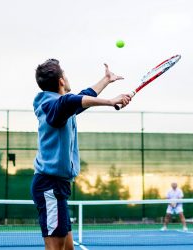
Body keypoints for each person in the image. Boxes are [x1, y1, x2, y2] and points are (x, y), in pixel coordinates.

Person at [30, 58, 131, 250]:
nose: (67, 78)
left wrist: (106, 80)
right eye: (65, 75)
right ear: (61, 81)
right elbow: (72, 100)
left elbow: (82, 97)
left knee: (68, 248)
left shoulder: (61, 107)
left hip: (58, 185)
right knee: (55, 247)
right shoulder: (53, 106)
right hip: (49, 186)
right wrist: (110, 101)